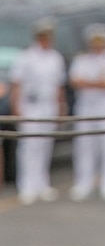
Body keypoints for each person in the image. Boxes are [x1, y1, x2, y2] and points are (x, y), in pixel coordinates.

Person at [10, 17, 65, 205]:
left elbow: (59, 86)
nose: (46, 39)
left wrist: (60, 107)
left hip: (48, 105)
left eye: (48, 36)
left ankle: (42, 183)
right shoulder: (26, 57)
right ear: (37, 36)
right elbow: (16, 84)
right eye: (43, 36)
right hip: (30, 105)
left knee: (45, 145)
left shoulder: (55, 58)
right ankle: (26, 186)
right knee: (29, 147)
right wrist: (16, 107)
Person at [68, 23, 105, 202]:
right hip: (86, 106)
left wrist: (90, 83)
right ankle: (83, 182)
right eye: (95, 42)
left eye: (101, 42)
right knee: (84, 145)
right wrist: (97, 83)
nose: (98, 45)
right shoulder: (81, 60)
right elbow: (75, 82)